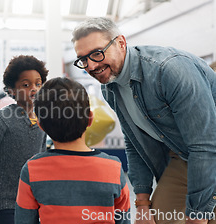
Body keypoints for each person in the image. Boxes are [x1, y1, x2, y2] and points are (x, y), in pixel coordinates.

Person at [71, 17, 216, 224]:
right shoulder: (110, 87)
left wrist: (197, 215)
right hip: (182, 156)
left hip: (208, 150)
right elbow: (134, 141)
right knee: (156, 220)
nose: (91, 66)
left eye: (97, 53)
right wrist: (142, 204)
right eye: (83, 59)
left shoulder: (169, 70)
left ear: (121, 43)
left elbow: (205, 145)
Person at [15, 77, 131, 224]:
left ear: (41, 126)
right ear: (90, 119)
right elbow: (123, 219)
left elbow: (23, 220)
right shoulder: (113, 168)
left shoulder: (32, 169)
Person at [0, 55, 49, 224]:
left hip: (33, 201)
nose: (34, 89)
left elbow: (42, 158)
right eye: (26, 85)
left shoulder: (43, 119)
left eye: (38, 83)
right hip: (3, 204)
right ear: (12, 90)